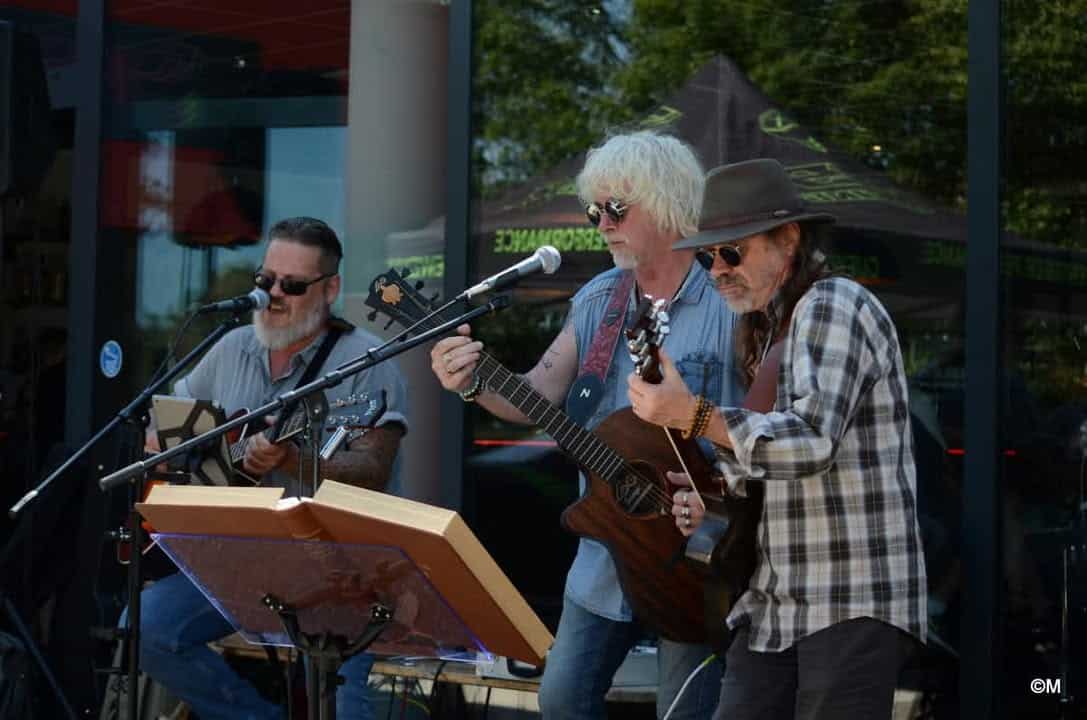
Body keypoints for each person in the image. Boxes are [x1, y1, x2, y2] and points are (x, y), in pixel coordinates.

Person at [430, 131, 742, 719]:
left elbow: (755, 425)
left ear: (669, 201)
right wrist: (472, 381)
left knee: (685, 711)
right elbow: (538, 395)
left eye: (616, 208)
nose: (601, 223)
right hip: (606, 543)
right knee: (563, 698)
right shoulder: (600, 298)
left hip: (696, 548)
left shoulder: (728, 300)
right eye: (594, 209)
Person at [627, 158, 927, 720]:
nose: (717, 269)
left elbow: (811, 441)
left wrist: (693, 414)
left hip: (847, 598)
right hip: (775, 605)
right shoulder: (770, 332)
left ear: (788, 239)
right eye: (706, 255)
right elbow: (766, 465)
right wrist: (709, 503)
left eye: (732, 251)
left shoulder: (835, 304)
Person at [126, 216, 409, 720]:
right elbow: (162, 428)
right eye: (265, 280)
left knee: (339, 704)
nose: (273, 294)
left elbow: (374, 469)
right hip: (239, 557)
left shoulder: (367, 360)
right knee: (146, 627)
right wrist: (183, 455)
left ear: (330, 289)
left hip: (335, 567)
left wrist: (293, 459)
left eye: (292, 285)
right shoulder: (231, 347)